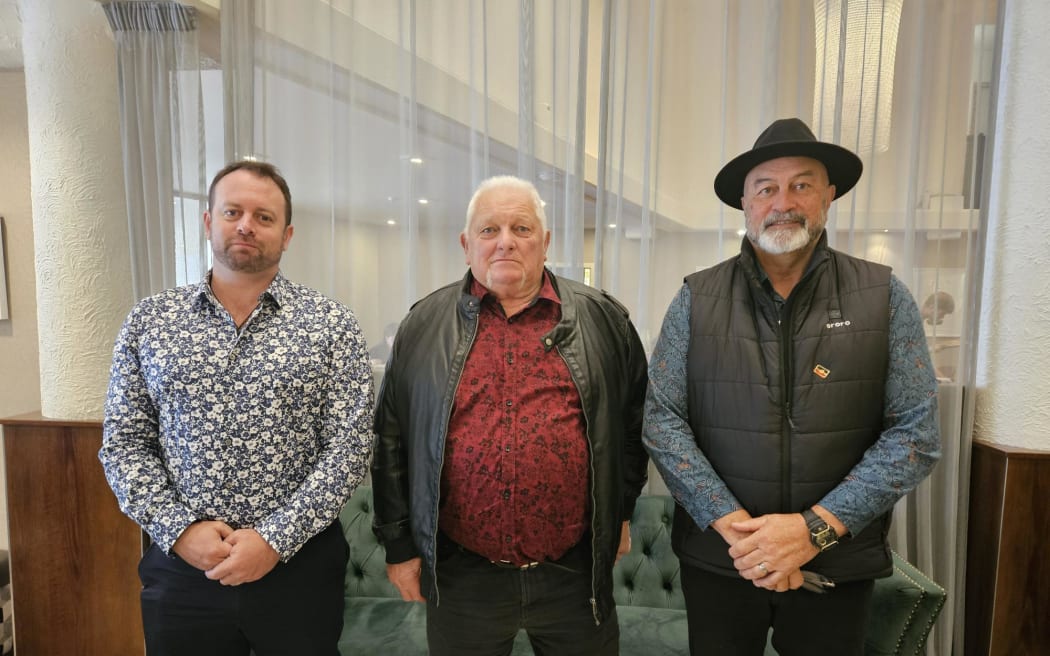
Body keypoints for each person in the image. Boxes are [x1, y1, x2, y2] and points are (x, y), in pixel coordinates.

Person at [642, 118, 941, 656]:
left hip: (836, 565)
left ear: (828, 197)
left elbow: (915, 436)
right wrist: (741, 533)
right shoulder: (695, 298)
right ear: (745, 203)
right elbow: (662, 420)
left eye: (801, 185)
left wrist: (812, 532)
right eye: (766, 188)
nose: (783, 202)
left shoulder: (883, 296)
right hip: (723, 561)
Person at [99, 160, 375, 656]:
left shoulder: (331, 325)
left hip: (298, 569)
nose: (246, 225)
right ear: (209, 221)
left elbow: (348, 449)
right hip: (183, 569)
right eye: (233, 212)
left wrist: (274, 539)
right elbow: (124, 444)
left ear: (286, 235)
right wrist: (179, 530)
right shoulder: (150, 322)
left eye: (264, 217)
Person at [370, 175, 649, 655]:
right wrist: (399, 547)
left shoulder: (605, 320)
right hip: (463, 575)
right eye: (489, 230)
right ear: (466, 245)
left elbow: (631, 427)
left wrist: (620, 514)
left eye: (521, 228)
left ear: (545, 242)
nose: (505, 242)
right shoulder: (422, 325)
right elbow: (390, 441)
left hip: (575, 574)